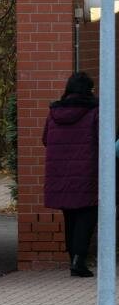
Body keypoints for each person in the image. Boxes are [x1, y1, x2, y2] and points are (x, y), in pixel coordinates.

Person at [43, 71, 99, 277]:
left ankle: (72, 258)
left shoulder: (54, 112)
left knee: (70, 216)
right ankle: (78, 260)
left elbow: (45, 139)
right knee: (87, 214)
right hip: (86, 174)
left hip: (60, 175)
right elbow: (102, 140)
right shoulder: (95, 111)